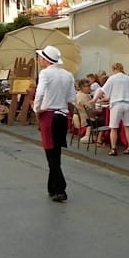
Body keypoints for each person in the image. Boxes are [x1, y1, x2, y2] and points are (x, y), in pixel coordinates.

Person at [33, 45, 76, 203]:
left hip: (49, 115)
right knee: (56, 153)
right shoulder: (68, 75)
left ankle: (60, 188)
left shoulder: (45, 73)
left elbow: (40, 93)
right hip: (62, 115)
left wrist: (36, 109)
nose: (39, 60)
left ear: (46, 60)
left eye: (41, 57)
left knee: (50, 154)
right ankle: (53, 188)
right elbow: (72, 98)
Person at [93, 62, 129, 156]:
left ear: (114, 69)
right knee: (127, 126)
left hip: (117, 104)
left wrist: (94, 100)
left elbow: (102, 90)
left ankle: (113, 149)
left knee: (114, 128)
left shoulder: (112, 78)